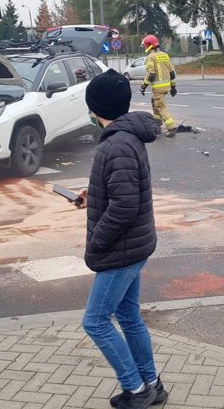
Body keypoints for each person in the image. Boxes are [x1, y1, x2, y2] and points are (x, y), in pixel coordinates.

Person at [77, 69, 168, 409]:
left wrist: (96, 241)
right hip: (135, 244)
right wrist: (93, 194)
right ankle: (152, 383)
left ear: (95, 107)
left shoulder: (116, 144)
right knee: (128, 316)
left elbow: (125, 206)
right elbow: (123, 191)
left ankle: (136, 388)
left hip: (121, 248)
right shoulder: (127, 138)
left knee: (96, 321)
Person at [140, 34, 178, 137]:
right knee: (155, 103)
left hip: (158, 88)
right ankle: (157, 127)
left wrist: (143, 86)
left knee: (161, 106)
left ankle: (171, 127)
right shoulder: (165, 55)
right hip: (166, 86)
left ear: (149, 45)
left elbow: (151, 74)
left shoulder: (150, 57)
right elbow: (172, 72)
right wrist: (173, 87)